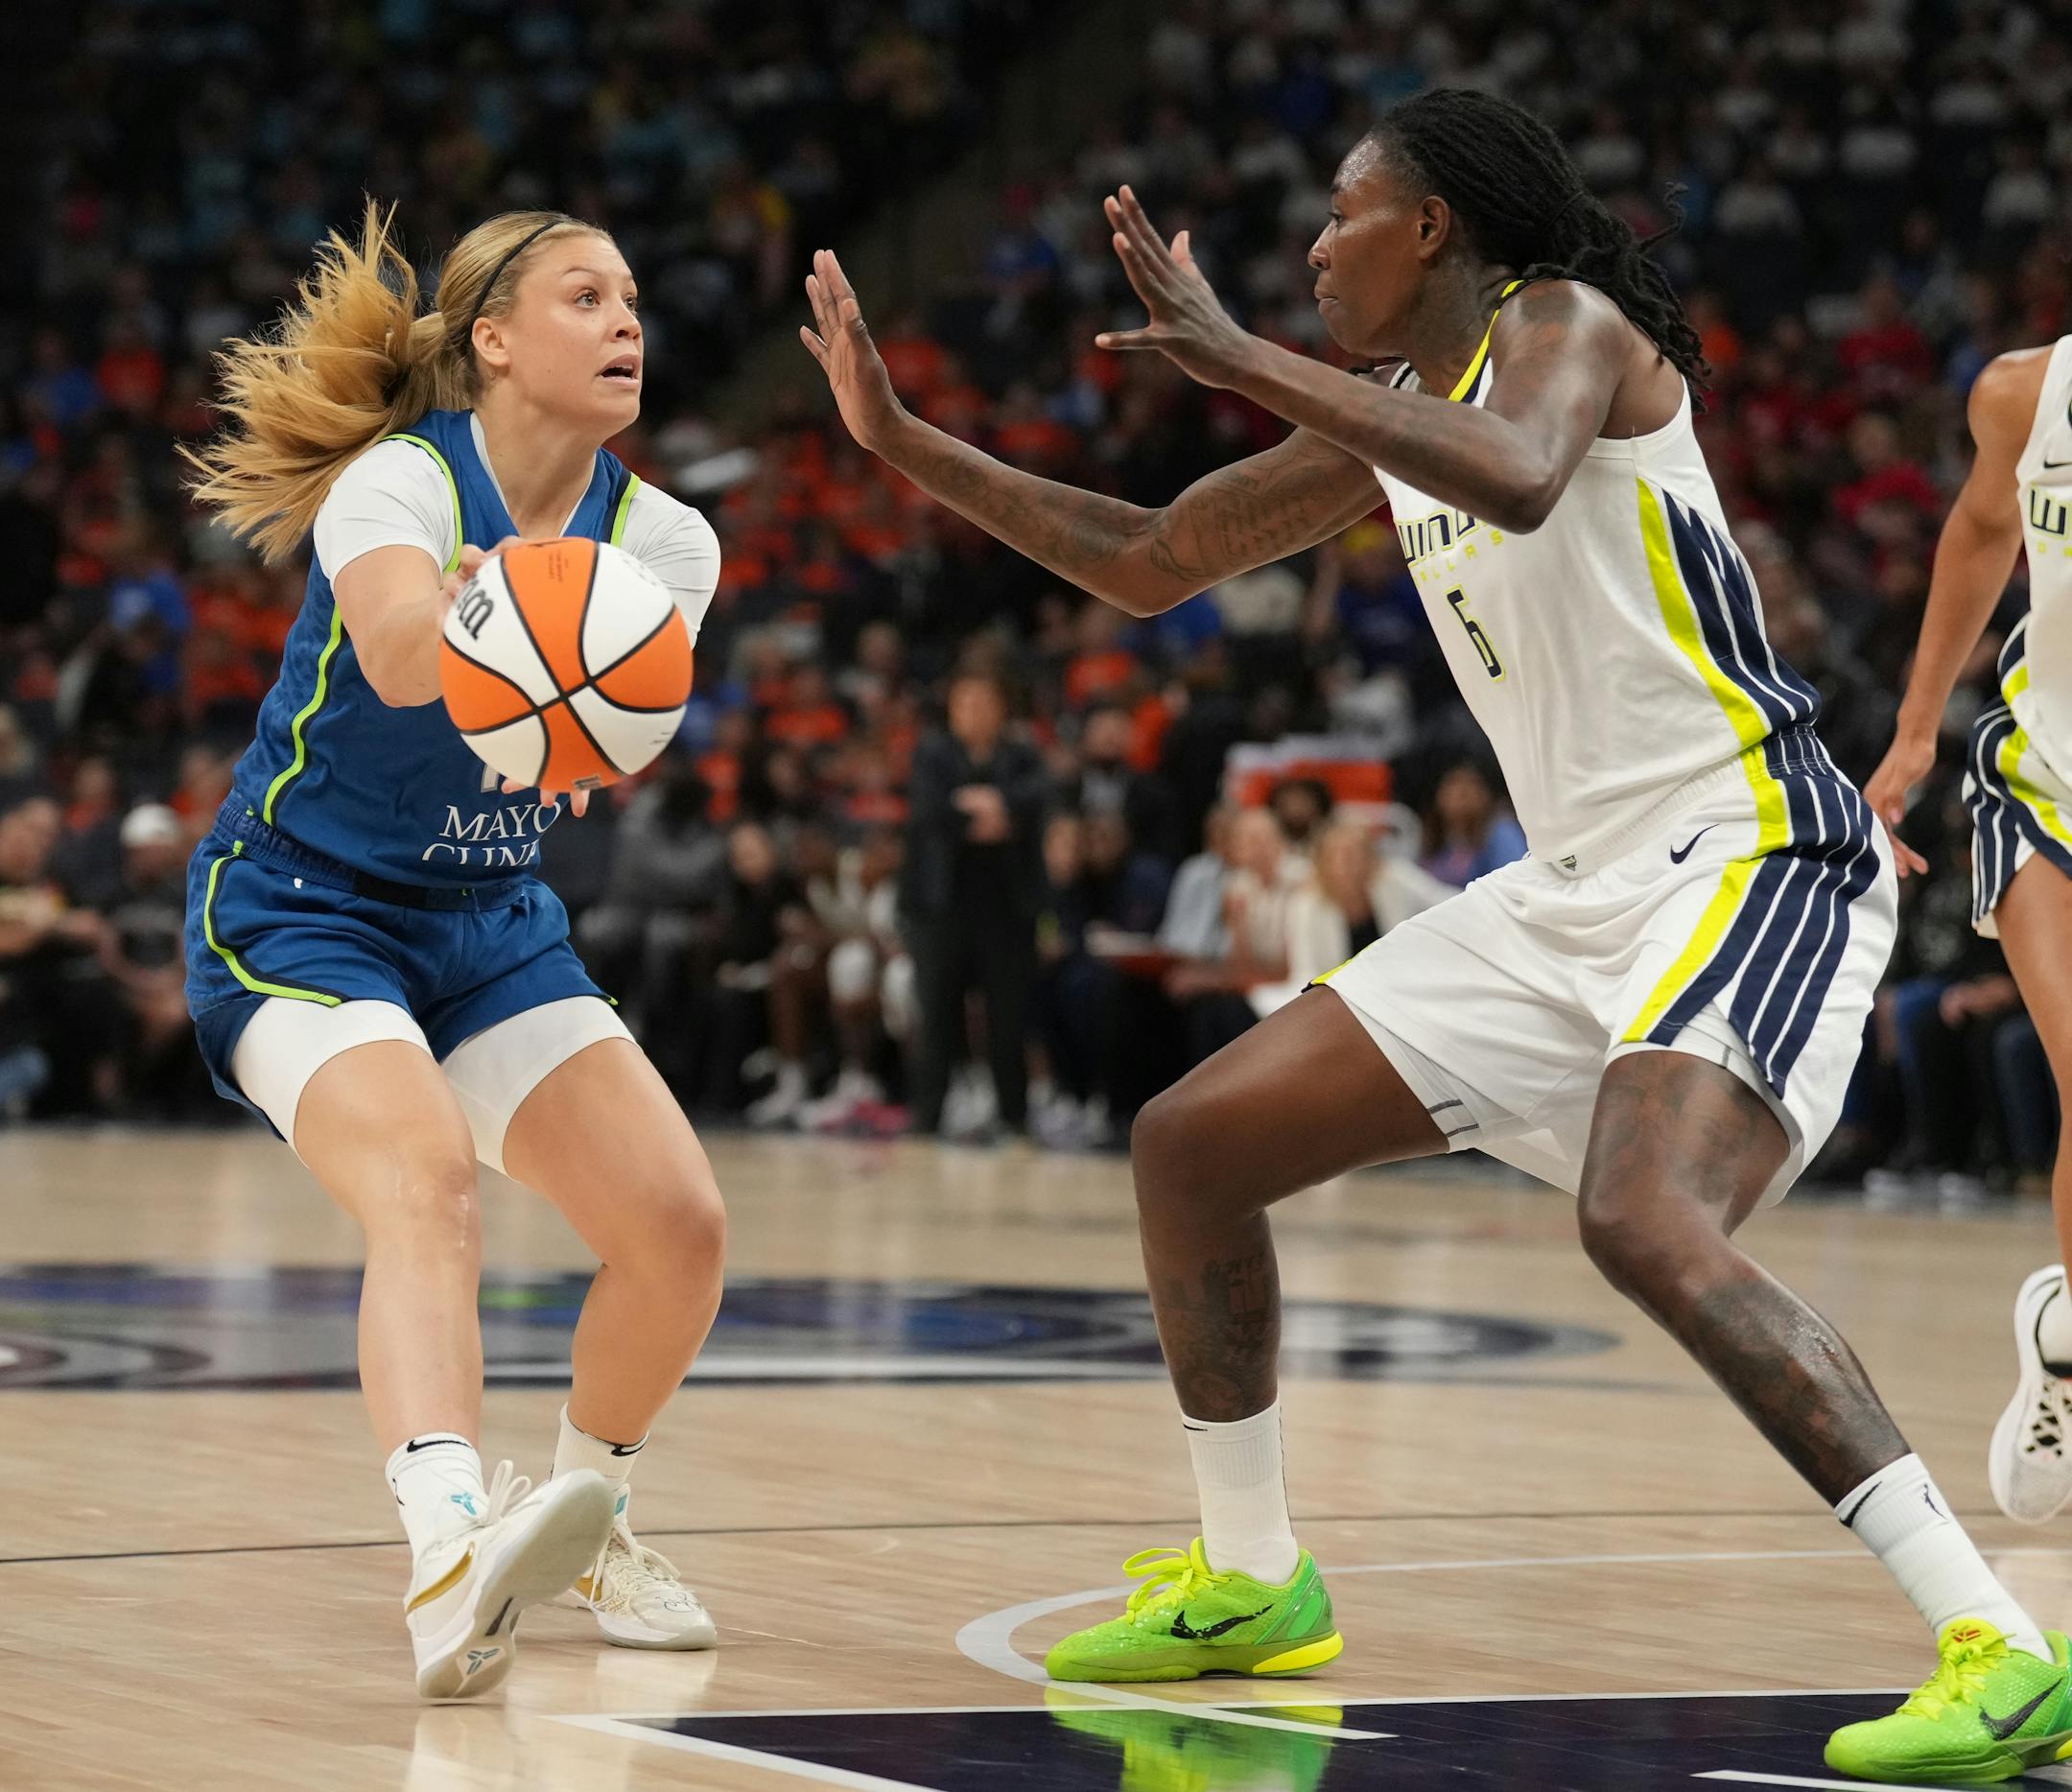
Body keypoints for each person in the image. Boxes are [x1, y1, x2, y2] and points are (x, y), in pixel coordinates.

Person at [804, 86, 2062, 1782]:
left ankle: (1998, 1638)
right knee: (1191, 1146)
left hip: (1750, 845)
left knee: (1643, 1217)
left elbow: (1523, 477)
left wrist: (1242, 356)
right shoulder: (1391, 417)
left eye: (1344, 214)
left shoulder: (1570, 327)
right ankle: (1253, 1576)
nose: (1318, 247)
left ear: (1435, 226)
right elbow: (1155, 557)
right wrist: (903, 445)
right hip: (1568, 889)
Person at [181, 204, 725, 1699]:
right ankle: (446, 1548)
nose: (627, 322)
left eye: (632, 297)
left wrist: (584, 702)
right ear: (492, 339)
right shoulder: (398, 483)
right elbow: (403, 653)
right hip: (299, 908)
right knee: (423, 1175)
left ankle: (589, 1518)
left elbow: (614, 736)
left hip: (487, 924)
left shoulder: (666, 541)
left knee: (679, 1228)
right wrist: (515, 612)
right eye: (585, 296)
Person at [1865, 337, 2072, 1540]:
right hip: (2047, 783)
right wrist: (1917, 726)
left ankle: (2062, 1334)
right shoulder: (2023, 392)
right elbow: (1984, 530)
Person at [899, 669, 1049, 1138]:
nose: (975, 713)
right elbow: (929, 810)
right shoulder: (932, 752)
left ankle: (1014, 1115)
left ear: (1001, 709)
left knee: (1009, 1017)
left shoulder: (1023, 754)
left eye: (984, 703)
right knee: (936, 1014)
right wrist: (985, 815)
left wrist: (990, 804)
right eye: (965, 704)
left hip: (1007, 907)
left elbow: (1038, 799)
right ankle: (927, 1114)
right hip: (941, 907)